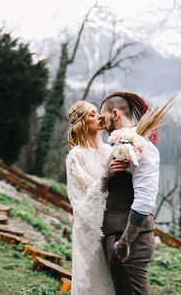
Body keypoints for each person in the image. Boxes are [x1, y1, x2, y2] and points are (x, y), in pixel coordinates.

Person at [66, 100, 130, 295]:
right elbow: (80, 199)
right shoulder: (76, 156)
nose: (100, 117)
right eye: (92, 115)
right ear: (82, 124)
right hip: (89, 231)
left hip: (114, 225)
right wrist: (105, 177)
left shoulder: (110, 150)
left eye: (98, 113)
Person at [100, 91, 160, 295]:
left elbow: (145, 200)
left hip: (129, 243)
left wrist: (124, 242)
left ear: (115, 114)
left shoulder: (142, 147)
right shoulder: (122, 144)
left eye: (104, 117)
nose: (102, 122)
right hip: (118, 237)